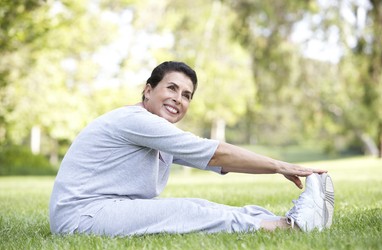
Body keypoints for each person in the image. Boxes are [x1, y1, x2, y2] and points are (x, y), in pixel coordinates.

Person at [49, 61, 334, 236]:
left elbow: (219, 163)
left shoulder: (154, 129)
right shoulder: (135, 120)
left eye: (186, 95)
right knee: (185, 211)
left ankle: (280, 220)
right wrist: (281, 167)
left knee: (201, 206)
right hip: (82, 216)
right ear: (148, 90)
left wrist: (276, 168)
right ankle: (291, 228)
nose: (178, 99)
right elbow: (216, 152)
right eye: (171, 88)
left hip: (105, 208)